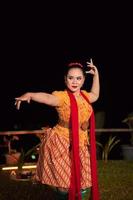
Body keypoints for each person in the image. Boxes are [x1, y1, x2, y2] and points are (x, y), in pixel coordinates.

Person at [15, 58, 100, 200]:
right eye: (71, 78)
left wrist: (96, 75)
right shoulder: (62, 97)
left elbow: (95, 95)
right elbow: (47, 98)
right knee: (63, 186)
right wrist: (31, 94)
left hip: (80, 143)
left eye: (78, 78)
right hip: (62, 142)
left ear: (84, 80)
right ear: (65, 79)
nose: (75, 81)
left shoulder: (85, 96)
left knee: (83, 182)